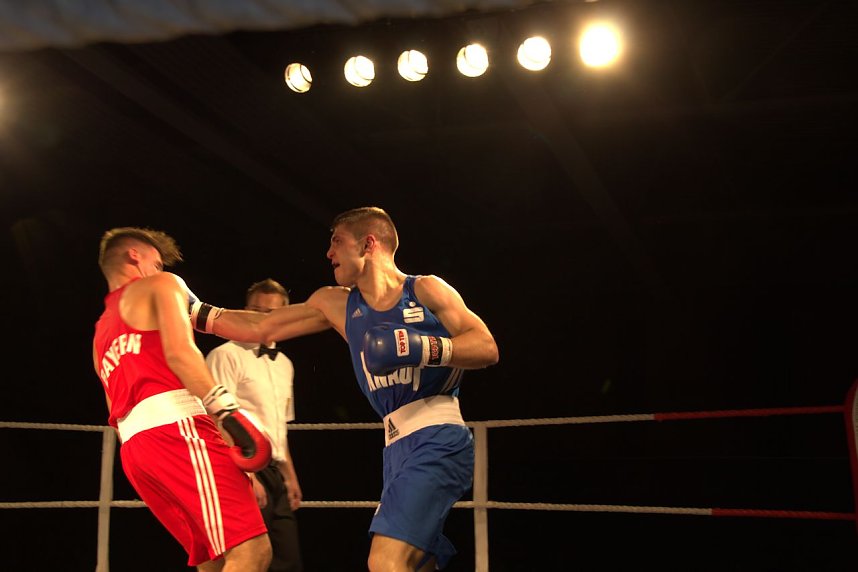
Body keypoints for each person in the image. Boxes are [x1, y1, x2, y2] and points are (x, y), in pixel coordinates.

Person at [192, 207, 499, 571]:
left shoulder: (425, 288)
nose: (329, 253)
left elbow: (486, 346)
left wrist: (421, 347)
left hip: (437, 435)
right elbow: (264, 327)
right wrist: (193, 312)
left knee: (386, 562)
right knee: (417, 563)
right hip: (395, 448)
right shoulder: (335, 303)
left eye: (337, 241)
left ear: (368, 244)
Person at [92, 227, 273, 572]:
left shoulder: (100, 333)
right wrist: (229, 417)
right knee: (252, 551)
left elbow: (114, 415)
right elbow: (181, 354)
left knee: (215, 560)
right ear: (135, 256)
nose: (161, 271)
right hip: (178, 432)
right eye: (157, 263)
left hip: (136, 454)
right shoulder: (162, 285)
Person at [206, 279, 304, 572]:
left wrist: (290, 476)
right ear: (244, 309)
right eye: (256, 310)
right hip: (241, 468)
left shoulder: (285, 363)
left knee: (287, 562)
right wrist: (247, 475)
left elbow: (279, 426)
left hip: (274, 470)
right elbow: (218, 421)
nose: (262, 319)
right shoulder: (225, 355)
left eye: (270, 312)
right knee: (248, 559)